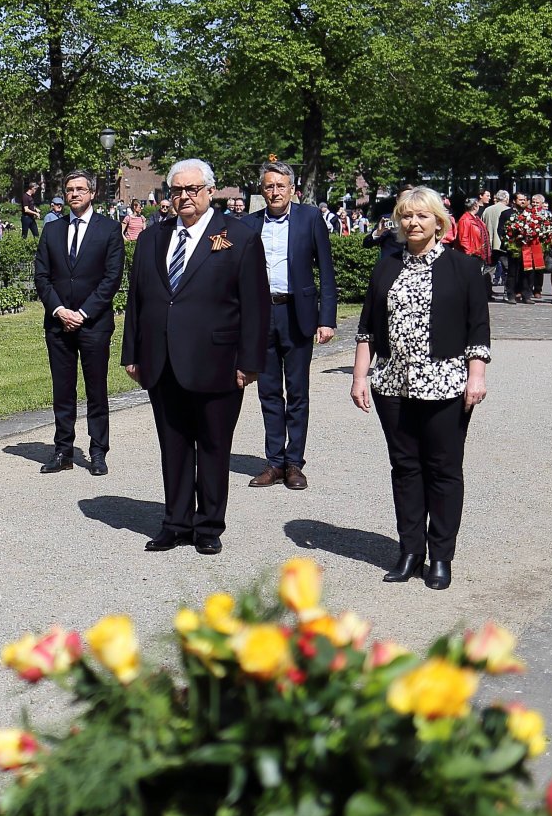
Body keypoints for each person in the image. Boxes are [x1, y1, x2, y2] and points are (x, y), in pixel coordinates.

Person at [120, 159, 269, 556]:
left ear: (210, 192)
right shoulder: (152, 238)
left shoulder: (238, 236)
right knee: (174, 446)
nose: (184, 197)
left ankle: (208, 526)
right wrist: (132, 352)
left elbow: (255, 305)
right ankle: (176, 522)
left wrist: (250, 362)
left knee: (214, 447)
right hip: (162, 360)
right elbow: (137, 300)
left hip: (218, 361)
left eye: (192, 189)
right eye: (176, 190)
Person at [350, 186, 490, 591]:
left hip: (445, 383)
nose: (413, 222)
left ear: (438, 222)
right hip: (393, 383)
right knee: (405, 468)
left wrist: (476, 375)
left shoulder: (463, 267)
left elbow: (478, 327)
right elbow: (367, 327)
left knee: (443, 469)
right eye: (406, 216)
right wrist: (360, 376)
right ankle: (411, 551)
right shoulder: (386, 267)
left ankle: (441, 555)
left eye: (421, 215)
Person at [245, 162, 338, 491]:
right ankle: (274, 462)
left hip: (297, 313)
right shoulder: (249, 224)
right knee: (268, 391)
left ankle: (294, 462)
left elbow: (326, 270)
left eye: (280, 186)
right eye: (269, 186)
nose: (275, 192)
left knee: (297, 391)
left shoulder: (309, 219)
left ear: (292, 189)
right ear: (262, 190)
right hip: (261, 315)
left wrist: (327, 319)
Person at [33, 169, 126, 477]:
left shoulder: (109, 229)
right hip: (58, 323)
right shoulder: (52, 230)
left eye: (80, 189)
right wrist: (59, 310)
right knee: (63, 390)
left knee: (96, 389)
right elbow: (42, 276)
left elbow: (111, 278)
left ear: (92, 193)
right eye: (69, 189)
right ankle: (63, 450)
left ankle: (98, 451)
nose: (74, 194)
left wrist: (83, 313)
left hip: (94, 324)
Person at [480, 190, 511, 298]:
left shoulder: (487, 210)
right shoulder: (508, 210)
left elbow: (482, 225)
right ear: (506, 199)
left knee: (488, 269)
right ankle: (507, 293)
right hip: (503, 244)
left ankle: (486, 292)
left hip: (489, 243)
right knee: (507, 270)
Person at [454, 194, 489, 268]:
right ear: (475, 206)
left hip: (478, 253)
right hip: (471, 255)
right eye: (478, 205)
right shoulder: (465, 220)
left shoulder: (476, 219)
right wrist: (470, 254)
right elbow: (463, 239)